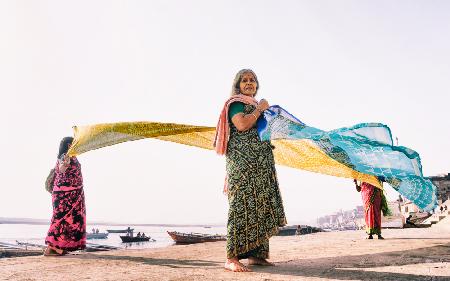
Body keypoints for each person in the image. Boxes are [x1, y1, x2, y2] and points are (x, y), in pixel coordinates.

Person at [214, 69, 287, 272]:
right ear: (238, 85)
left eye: (252, 80)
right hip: (242, 164)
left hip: (260, 165)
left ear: (256, 85)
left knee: (260, 203)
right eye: (244, 80)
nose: (249, 83)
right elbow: (243, 124)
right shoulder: (235, 103)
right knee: (241, 205)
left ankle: (257, 255)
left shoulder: (257, 106)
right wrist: (261, 108)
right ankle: (231, 258)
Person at [44, 137, 86, 256]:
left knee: (66, 221)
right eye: (74, 143)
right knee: (62, 221)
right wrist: (65, 164)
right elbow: (62, 169)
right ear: (69, 145)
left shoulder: (69, 156)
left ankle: (56, 248)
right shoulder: (65, 156)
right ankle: (54, 249)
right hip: (65, 196)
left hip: (71, 195)